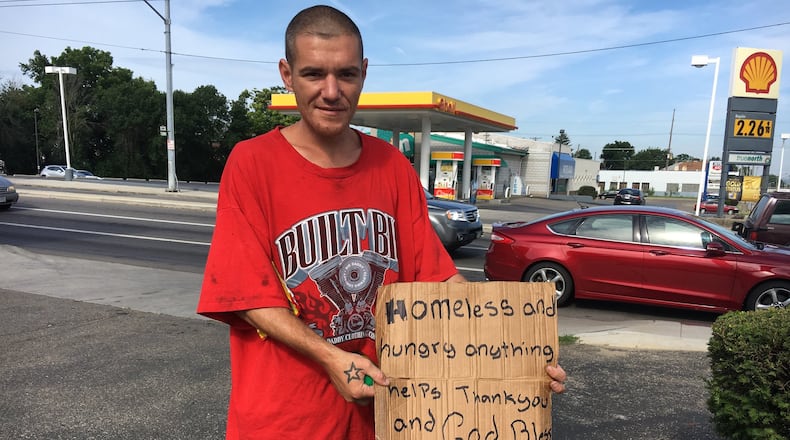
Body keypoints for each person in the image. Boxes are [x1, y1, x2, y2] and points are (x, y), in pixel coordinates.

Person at [197, 5, 566, 439]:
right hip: (284, 420)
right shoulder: (252, 163)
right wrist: (331, 358)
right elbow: (247, 296)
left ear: (365, 73)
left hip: (388, 417)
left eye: (347, 74)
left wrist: (516, 358)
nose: (331, 91)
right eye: (314, 73)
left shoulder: (392, 167)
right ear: (286, 73)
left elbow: (440, 284)